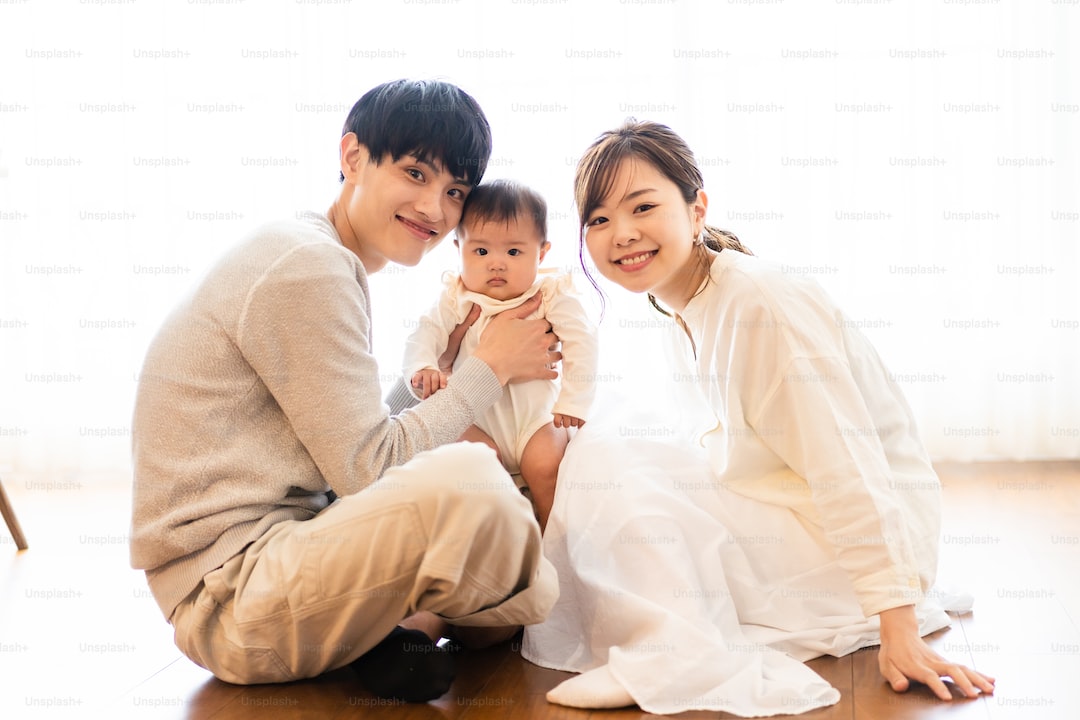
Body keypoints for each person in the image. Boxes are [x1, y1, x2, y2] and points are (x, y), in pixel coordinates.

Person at [521, 120, 996, 715]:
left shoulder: (758, 302)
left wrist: (897, 623)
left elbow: (845, 461)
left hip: (848, 558)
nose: (622, 234)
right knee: (605, 433)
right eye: (598, 219)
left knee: (607, 451)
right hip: (797, 522)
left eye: (643, 206)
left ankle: (671, 654)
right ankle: (649, 634)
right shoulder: (680, 305)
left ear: (697, 209)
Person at [129, 79, 561, 704]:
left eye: (454, 191)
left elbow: (350, 447)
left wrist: (442, 370)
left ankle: (406, 632)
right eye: (415, 173)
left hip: (279, 558)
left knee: (503, 486)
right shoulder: (307, 264)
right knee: (477, 479)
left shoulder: (315, 251)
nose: (435, 208)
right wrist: (487, 369)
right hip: (232, 597)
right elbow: (367, 469)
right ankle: (463, 616)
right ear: (353, 157)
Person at [402, 179, 598, 530]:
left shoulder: (549, 294)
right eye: (481, 252)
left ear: (541, 253)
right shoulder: (457, 297)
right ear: (459, 249)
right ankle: (508, 534)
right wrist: (423, 367)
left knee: (546, 466)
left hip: (535, 420)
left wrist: (574, 400)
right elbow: (425, 333)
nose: (496, 264)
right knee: (477, 464)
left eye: (513, 252)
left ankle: (550, 537)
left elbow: (582, 341)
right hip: (476, 421)